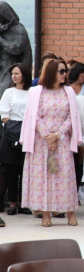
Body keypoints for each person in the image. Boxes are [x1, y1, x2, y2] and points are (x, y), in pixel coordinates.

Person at [20, 59, 82, 227]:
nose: (64, 74)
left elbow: (72, 116)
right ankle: (45, 213)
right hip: (41, 141)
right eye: (61, 71)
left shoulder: (68, 91)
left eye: (65, 71)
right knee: (44, 177)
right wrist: (48, 135)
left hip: (62, 140)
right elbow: (35, 115)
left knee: (65, 176)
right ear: (51, 72)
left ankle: (69, 211)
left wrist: (58, 134)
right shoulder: (37, 92)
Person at [0, 63, 32, 218]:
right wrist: (13, 127)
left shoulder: (32, 92)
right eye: (12, 73)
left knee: (26, 170)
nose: (14, 76)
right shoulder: (8, 92)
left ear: (24, 75)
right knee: (11, 171)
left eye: (17, 73)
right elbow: (4, 114)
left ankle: (24, 203)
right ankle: (13, 203)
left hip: (29, 133)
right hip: (11, 132)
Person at [0, 2, 32, 96]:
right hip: (2, 68)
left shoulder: (19, 30)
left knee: (4, 90)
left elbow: (16, 48)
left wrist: (1, 40)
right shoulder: (3, 30)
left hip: (12, 70)